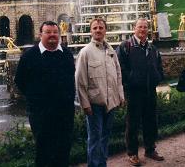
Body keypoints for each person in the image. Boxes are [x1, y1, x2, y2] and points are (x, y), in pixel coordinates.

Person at [14, 21, 75, 167]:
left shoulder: (66, 54)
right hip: (41, 114)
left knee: (64, 149)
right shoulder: (29, 56)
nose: (52, 35)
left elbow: (70, 78)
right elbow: (20, 81)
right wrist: (35, 99)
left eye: (55, 32)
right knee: (44, 151)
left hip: (64, 112)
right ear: (40, 34)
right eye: (48, 32)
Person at [76, 18, 125, 167]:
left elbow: (118, 75)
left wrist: (120, 96)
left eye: (101, 28)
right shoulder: (85, 52)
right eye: (95, 28)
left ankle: (102, 164)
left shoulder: (111, 51)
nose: (98, 30)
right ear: (90, 31)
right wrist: (85, 104)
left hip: (110, 103)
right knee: (94, 138)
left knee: (105, 137)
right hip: (94, 104)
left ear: (105, 30)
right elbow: (80, 81)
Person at [117, 18, 164, 166]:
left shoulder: (152, 48)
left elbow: (159, 65)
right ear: (134, 28)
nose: (143, 30)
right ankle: (132, 153)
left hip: (150, 89)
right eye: (140, 27)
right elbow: (120, 67)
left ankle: (150, 149)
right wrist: (131, 80)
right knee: (133, 123)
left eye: (145, 27)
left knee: (150, 121)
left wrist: (158, 77)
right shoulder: (126, 46)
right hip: (134, 91)